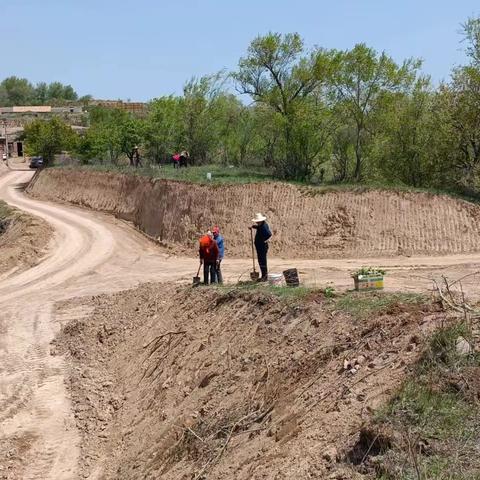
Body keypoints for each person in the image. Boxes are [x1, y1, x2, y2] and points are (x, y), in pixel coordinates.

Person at [250, 213, 272, 282]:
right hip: (260, 247)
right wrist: (253, 226)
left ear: (261, 221)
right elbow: (258, 227)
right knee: (261, 261)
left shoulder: (264, 226)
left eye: (257, 222)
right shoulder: (261, 225)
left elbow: (269, 234)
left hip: (262, 247)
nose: (257, 222)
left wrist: (264, 240)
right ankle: (263, 276)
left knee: (262, 262)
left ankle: (265, 277)